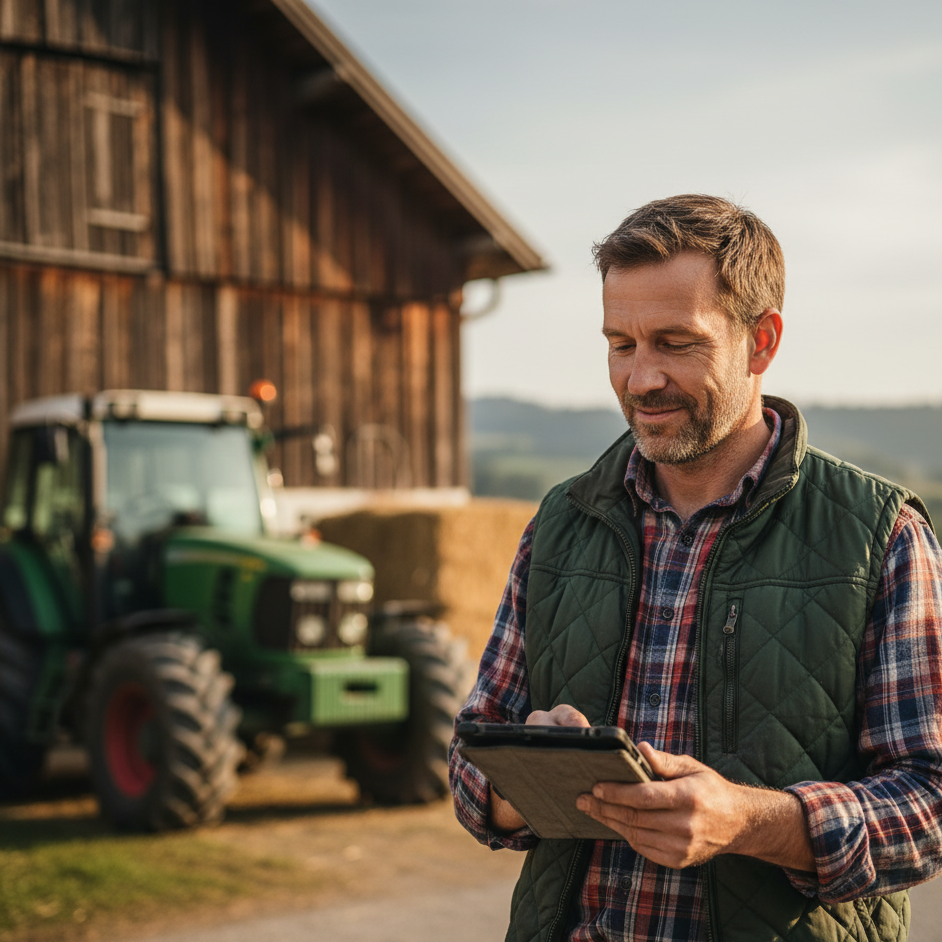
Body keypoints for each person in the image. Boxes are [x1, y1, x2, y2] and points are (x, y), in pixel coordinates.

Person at [448, 194, 942, 942]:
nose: (641, 378)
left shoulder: (881, 535)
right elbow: (471, 764)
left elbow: (929, 803)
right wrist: (533, 778)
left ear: (762, 340)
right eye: (621, 343)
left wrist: (751, 822)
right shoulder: (560, 524)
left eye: (676, 342)